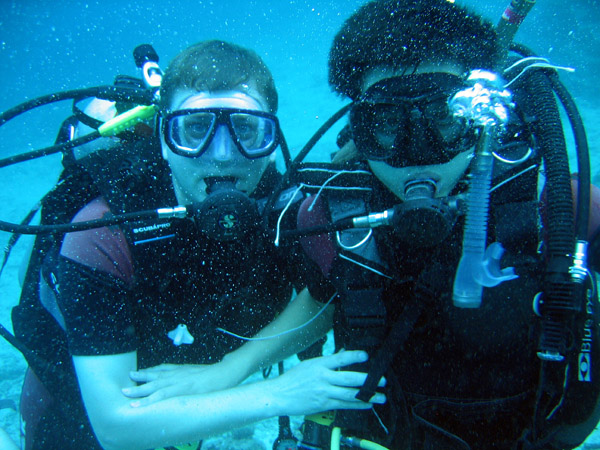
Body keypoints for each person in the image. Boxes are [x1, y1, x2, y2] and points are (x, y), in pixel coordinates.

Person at [12, 40, 385, 450]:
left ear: (272, 137)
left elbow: (332, 291)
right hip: (81, 387)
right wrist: (279, 394)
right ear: (164, 139)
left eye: (245, 129)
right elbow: (116, 427)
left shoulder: (287, 210)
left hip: (199, 372)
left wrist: (228, 370)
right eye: (195, 128)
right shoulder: (103, 231)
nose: (223, 155)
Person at [290, 0, 600, 449]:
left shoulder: (556, 207)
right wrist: (229, 373)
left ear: (481, 118)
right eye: (386, 124)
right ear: (360, 133)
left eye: (444, 117)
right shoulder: (329, 218)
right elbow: (312, 309)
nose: (419, 151)